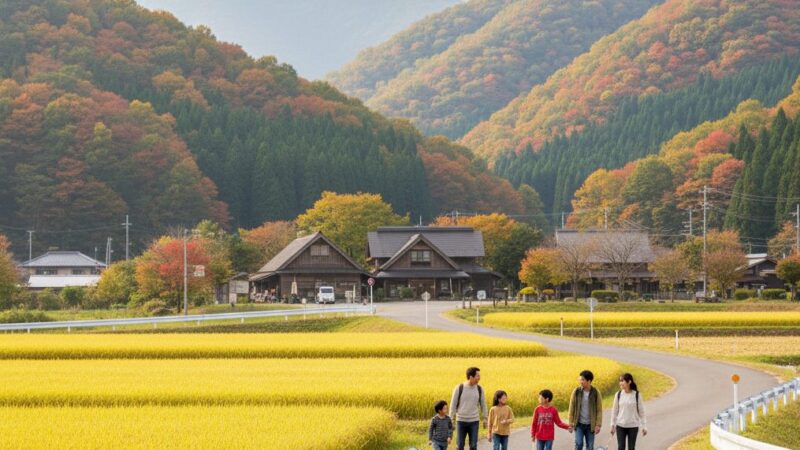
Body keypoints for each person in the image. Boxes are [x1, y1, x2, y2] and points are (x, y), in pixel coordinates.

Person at [449, 367, 488, 450]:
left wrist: (485, 418)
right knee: (460, 445)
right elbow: (453, 404)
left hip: (474, 421)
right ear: (471, 377)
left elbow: (483, 404)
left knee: (473, 446)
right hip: (461, 421)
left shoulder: (479, 389)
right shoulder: (459, 388)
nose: (479, 378)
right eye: (477, 376)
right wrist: (451, 419)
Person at [568, 370, 603, 450]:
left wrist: (598, 424)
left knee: (590, 447)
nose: (581, 381)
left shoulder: (596, 393)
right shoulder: (576, 392)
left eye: (583, 380)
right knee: (579, 444)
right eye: (580, 379)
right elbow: (571, 407)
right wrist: (570, 423)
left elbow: (599, 409)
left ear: (589, 381)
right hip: (579, 424)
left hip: (590, 425)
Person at [611, 373, 647, 450]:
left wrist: (644, 426)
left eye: (622, 381)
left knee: (631, 448)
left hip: (633, 426)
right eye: (620, 381)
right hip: (620, 426)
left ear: (629, 382)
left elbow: (642, 412)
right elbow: (614, 411)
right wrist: (612, 425)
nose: (620, 383)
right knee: (621, 447)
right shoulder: (618, 394)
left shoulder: (637, 395)